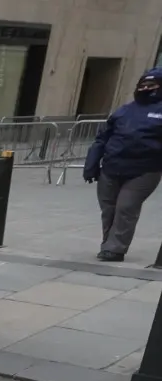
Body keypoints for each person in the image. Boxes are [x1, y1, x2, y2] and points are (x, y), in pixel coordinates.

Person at [84, 68, 162, 262]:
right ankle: (108, 244)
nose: (145, 88)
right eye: (142, 85)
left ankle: (115, 248)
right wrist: (92, 163)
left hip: (144, 170)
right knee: (108, 209)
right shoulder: (124, 111)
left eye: (151, 86)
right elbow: (102, 138)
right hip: (112, 167)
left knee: (126, 207)